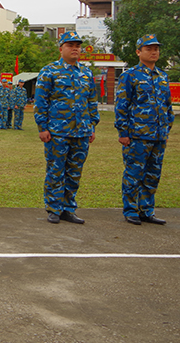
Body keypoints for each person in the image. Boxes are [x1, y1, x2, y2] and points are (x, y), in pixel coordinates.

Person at [34, 31, 99, 224]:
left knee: (74, 171)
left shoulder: (86, 72)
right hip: (57, 132)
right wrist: (42, 127)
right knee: (56, 170)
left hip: (81, 131)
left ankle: (68, 209)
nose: (75, 49)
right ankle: (54, 208)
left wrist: (92, 125)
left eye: (77, 46)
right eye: (70, 45)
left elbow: (92, 100)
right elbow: (41, 101)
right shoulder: (50, 71)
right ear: (61, 48)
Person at [114, 34, 174, 225]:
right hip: (137, 136)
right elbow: (121, 106)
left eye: (156, 49)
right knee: (134, 174)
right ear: (139, 52)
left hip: (158, 135)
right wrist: (123, 133)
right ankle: (131, 210)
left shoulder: (162, 76)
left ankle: (147, 210)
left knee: (153, 175)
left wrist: (166, 128)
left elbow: (167, 105)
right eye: (149, 49)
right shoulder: (129, 76)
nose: (154, 52)